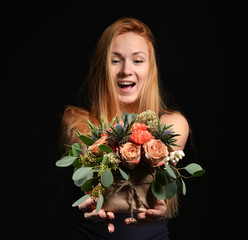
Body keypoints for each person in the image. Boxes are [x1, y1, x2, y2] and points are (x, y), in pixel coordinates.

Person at [60, 17, 189, 240]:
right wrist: (93, 204)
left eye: (137, 61)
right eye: (115, 61)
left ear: (150, 68)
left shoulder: (172, 124)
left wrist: (158, 209)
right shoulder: (77, 122)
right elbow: (93, 188)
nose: (126, 70)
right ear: (102, 66)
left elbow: (156, 184)